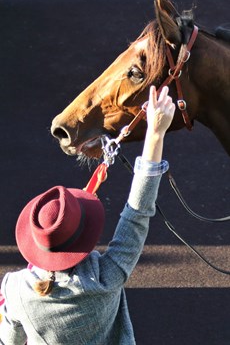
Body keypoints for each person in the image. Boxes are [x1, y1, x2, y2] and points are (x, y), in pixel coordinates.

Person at [0, 85, 175, 345]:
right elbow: (137, 213)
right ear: (81, 239)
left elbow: (9, 339)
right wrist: (155, 134)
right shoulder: (108, 275)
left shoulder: (15, 289)